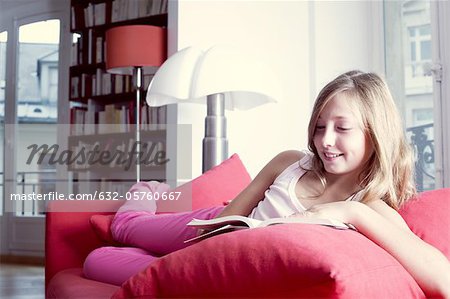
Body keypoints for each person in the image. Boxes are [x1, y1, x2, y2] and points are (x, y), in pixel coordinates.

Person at [84, 70, 450, 297]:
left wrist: (351, 209)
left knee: (97, 259)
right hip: (210, 229)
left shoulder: (370, 207)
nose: (325, 140)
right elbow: (228, 216)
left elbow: (443, 281)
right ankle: (149, 191)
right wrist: (198, 245)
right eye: (320, 126)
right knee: (124, 226)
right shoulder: (290, 162)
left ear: (376, 136)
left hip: (218, 263)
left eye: (342, 128)